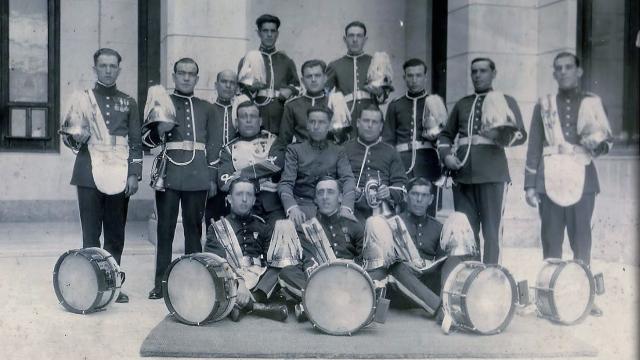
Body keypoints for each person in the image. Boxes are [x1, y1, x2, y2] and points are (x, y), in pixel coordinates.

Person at [524, 52, 611, 316]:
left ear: (579, 70)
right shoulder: (544, 105)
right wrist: (530, 184)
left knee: (581, 239)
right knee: (551, 239)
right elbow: (535, 146)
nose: (563, 72)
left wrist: (596, 144)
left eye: (568, 67)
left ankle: (584, 297)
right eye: (558, 68)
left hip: (583, 177)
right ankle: (549, 297)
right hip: (550, 179)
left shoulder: (592, 103)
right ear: (554, 74)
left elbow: (605, 141)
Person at [61, 48, 141, 304]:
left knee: (115, 233)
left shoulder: (128, 102)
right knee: (91, 233)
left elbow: (137, 142)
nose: (108, 70)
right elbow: (70, 138)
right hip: (88, 171)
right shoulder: (83, 98)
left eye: (112, 66)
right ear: (95, 69)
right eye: (103, 66)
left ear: (119, 69)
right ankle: (90, 283)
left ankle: (112, 283)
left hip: (119, 168)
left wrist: (134, 174)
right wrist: (76, 139)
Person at [438, 57, 527, 264]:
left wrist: (500, 136)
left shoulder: (506, 101)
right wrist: (447, 156)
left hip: (492, 175)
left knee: (491, 232)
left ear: (493, 73)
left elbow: (521, 134)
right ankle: (471, 275)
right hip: (463, 176)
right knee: (466, 231)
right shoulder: (463, 104)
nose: (478, 75)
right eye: (474, 72)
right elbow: (445, 135)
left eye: (483, 71)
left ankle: (491, 276)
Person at [143, 58, 218, 300]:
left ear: (197, 78)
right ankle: (162, 283)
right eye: (182, 73)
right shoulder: (163, 102)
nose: (186, 78)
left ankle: (193, 281)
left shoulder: (208, 108)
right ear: (174, 76)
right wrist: (159, 131)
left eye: (191, 74)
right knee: (164, 231)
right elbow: (145, 141)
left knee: (194, 231)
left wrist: (212, 178)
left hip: (198, 174)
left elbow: (214, 147)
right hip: (170, 172)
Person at [362, 178, 477, 322]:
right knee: (394, 263)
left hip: (429, 286)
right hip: (400, 290)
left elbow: (446, 265)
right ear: (406, 196)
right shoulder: (391, 224)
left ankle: (447, 301)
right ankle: (442, 310)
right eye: (415, 194)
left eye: (424, 196)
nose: (419, 200)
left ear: (430, 200)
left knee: (458, 220)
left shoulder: (438, 227)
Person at [205, 178, 288, 322]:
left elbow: (271, 259)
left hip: (258, 280)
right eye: (239, 194)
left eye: (249, 195)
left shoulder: (263, 226)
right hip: (230, 278)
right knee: (217, 271)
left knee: (279, 268)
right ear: (230, 199)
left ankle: (239, 303)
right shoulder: (217, 228)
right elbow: (218, 261)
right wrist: (239, 282)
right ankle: (256, 306)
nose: (244, 199)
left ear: (254, 199)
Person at [277, 177, 366, 312]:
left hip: (348, 280)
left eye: (330, 192)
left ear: (340, 197)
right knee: (286, 273)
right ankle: (331, 301)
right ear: (315, 199)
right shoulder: (305, 229)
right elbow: (306, 262)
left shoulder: (353, 226)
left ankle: (312, 305)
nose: (325, 197)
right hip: (320, 281)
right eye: (320, 193)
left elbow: (364, 259)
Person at [384, 58, 445, 216]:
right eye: (410, 76)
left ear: (425, 77)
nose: (414, 80)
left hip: (428, 164)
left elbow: (445, 136)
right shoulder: (396, 104)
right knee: (403, 212)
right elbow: (388, 140)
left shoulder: (434, 102)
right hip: (402, 165)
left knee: (428, 212)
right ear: (404, 77)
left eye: (418, 75)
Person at [277, 106, 356, 227]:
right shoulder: (295, 150)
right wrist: (292, 208)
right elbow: (285, 184)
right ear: (307, 125)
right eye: (312, 122)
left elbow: (348, 180)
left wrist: (346, 207)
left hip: (331, 207)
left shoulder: (338, 151)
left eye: (321, 122)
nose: (316, 126)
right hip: (303, 208)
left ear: (329, 126)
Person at [217, 101, 284, 226]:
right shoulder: (228, 149)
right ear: (237, 122)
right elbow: (224, 183)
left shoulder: (273, 141)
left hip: (272, 207)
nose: (248, 120)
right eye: (243, 116)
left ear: (260, 121)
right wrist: (259, 183)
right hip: (242, 207)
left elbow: (275, 164)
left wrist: (242, 173)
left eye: (253, 116)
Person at [238, 14, 300, 134]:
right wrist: (252, 88)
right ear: (259, 33)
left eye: (273, 31)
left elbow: (297, 86)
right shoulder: (249, 59)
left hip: (280, 114)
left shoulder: (286, 60)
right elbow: (240, 89)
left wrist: (290, 90)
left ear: (277, 33)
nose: (269, 34)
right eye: (265, 31)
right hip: (257, 113)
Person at [343, 105, 407, 222]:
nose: (370, 125)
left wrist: (389, 192)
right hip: (350, 211)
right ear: (358, 123)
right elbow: (333, 179)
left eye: (375, 122)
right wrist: (349, 191)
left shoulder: (391, 151)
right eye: (366, 121)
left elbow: (401, 185)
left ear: (381, 126)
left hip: (382, 214)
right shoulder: (345, 149)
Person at [326, 21, 390, 138]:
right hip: (346, 118)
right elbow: (325, 93)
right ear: (345, 39)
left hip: (370, 116)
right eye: (351, 36)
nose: (355, 40)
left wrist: (379, 93)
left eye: (359, 36)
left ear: (365, 39)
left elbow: (384, 95)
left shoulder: (375, 62)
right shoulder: (335, 65)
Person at [270, 59, 330, 155]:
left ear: (325, 78)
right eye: (309, 76)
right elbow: (284, 141)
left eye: (317, 76)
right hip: (302, 159)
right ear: (303, 81)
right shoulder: (292, 106)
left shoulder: (333, 103)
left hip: (329, 157)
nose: (313, 80)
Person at [205, 70, 238, 225]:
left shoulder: (240, 113)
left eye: (232, 82)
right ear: (216, 85)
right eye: (224, 81)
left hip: (234, 175)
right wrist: (209, 179)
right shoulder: (208, 110)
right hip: (211, 176)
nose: (228, 85)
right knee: (213, 221)